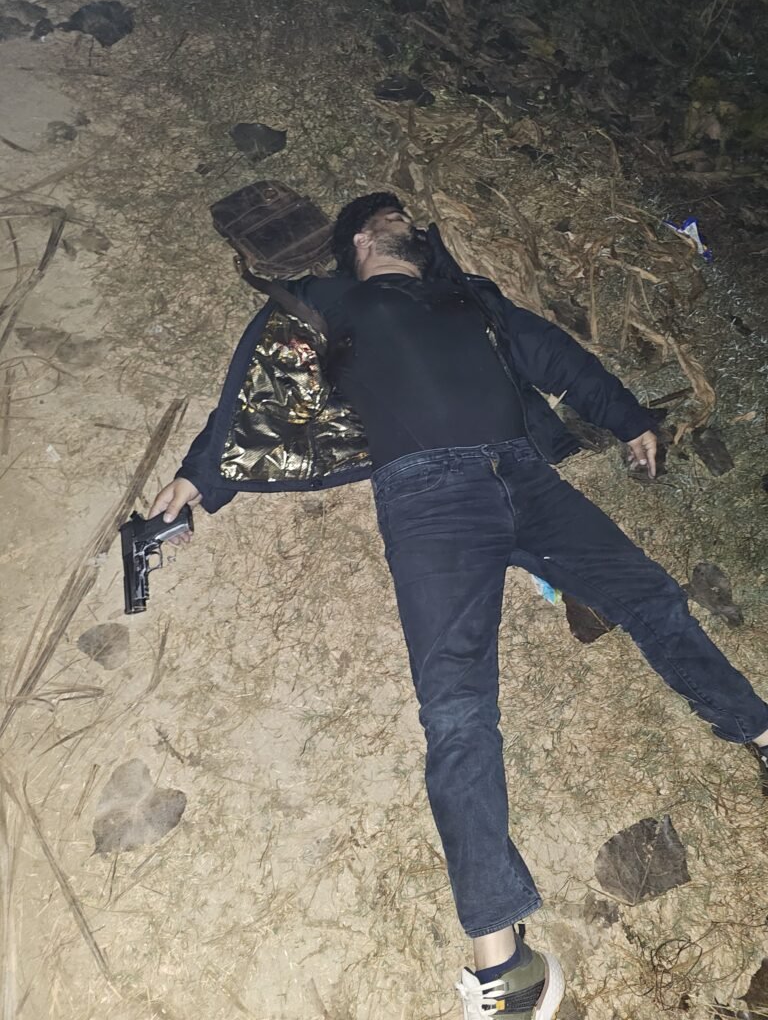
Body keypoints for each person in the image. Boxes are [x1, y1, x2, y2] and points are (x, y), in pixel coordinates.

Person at [151, 193, 768, 1020]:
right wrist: (196, 481)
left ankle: (757, 729)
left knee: (652, 596)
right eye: (390, 216)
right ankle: (502, 964)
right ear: (361, 237)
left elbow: (556, 356)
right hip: (429, 498)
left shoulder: (469, 298)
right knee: (456, 708)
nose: (407, 221)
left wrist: (627, 418)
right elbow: (259, 398)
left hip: (528, 477)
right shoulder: (329, 303)